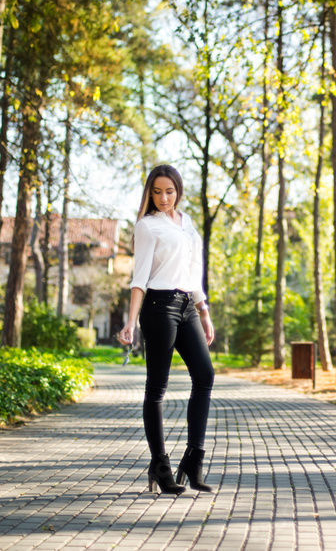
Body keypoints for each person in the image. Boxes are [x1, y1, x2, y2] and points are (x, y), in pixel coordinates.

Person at [118, 164, 215, 494]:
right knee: (157, 387)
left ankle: (194, 459)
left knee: (205, 375)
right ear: (150, 192)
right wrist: (130, 322)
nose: (163, 197)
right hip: (159, 307)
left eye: (169, 191)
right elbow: (139, 278)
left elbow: (193, 273)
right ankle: (160, 466)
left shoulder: (186, 223)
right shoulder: (147, 227)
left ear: (179, 191)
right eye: (157, 191)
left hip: (188, 305)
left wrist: (204, 311)